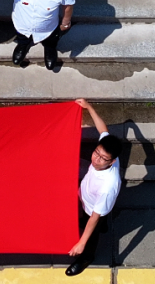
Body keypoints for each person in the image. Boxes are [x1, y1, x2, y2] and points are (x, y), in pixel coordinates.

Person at [66, 99, 123, 277]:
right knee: (94, 221)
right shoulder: (106, 150)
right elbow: (103, 129)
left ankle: (86, 258)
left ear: (112, 161)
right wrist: (89, 107)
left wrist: (81, 243)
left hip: (93, 210)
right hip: (88, 200)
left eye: (102, 158)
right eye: (96, 152)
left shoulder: (108, 186)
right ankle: (103, 226)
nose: (96, 159)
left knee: (92, 232)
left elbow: (94, 217)